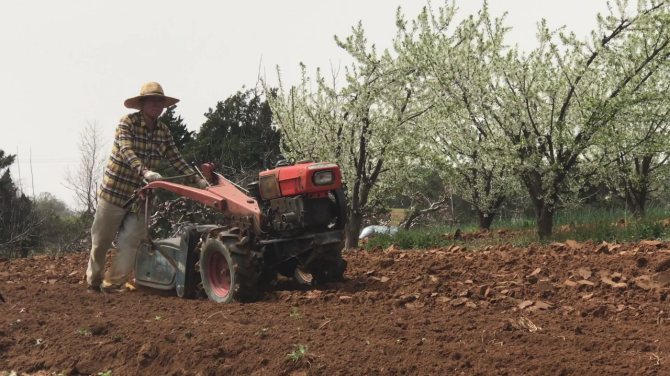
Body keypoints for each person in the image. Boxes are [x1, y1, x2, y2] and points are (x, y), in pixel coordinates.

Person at [86, 82, 208, 293]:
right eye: (152, 100)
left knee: (131, 242)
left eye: (160, 101)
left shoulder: (164, 131)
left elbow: (177, 159)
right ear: (141, 104)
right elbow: (126, 151)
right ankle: (93, 281)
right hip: (114, 193)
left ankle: (113, 283)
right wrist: (145, 172)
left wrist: (197, 180)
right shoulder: (127, 123)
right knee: (101, 242)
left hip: (141, 197)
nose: (157, 104)